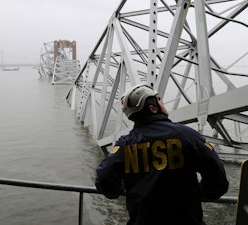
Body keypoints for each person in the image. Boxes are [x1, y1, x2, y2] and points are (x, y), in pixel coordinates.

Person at [95, 84, 229, 225]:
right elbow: (218, 178)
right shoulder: (187, 135)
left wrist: (120, 190)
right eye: (159, 100)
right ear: (153, 108)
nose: (162, 103)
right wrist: (200, 194)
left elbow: (104, 180)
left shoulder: (125, 145)